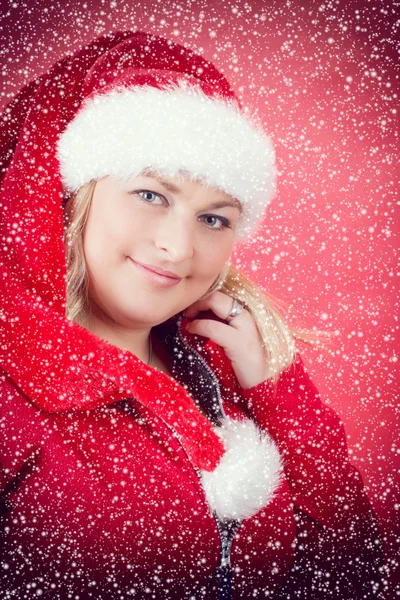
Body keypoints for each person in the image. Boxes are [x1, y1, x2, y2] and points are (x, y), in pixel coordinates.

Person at [0, 30, 385, 600]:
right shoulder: (13, 400)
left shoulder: (219, 373)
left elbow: (358, 569)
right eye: (152, 194)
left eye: (214, 218)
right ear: (71, 194)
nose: (179, 249)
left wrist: (273, 385)